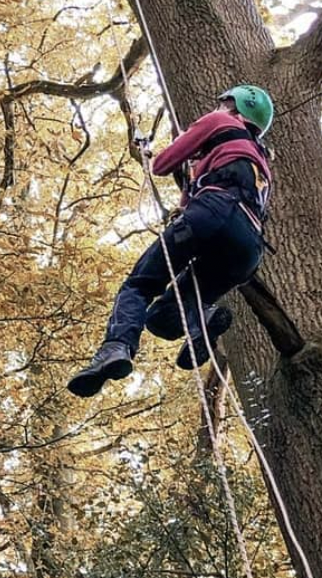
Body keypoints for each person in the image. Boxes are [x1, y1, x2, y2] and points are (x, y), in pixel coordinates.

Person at [67, 84, 273, 398]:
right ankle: (202, 321)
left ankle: (116, 346)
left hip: (214, 211)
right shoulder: (261, 162)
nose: (217, 107)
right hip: (248, 247)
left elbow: (162, 164)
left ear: (234, 106)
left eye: (222, 103)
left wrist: (164, 152)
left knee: (139, 284)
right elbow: (192, 202)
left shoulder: (220, 121)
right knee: (162, 319)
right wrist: (194, 174)